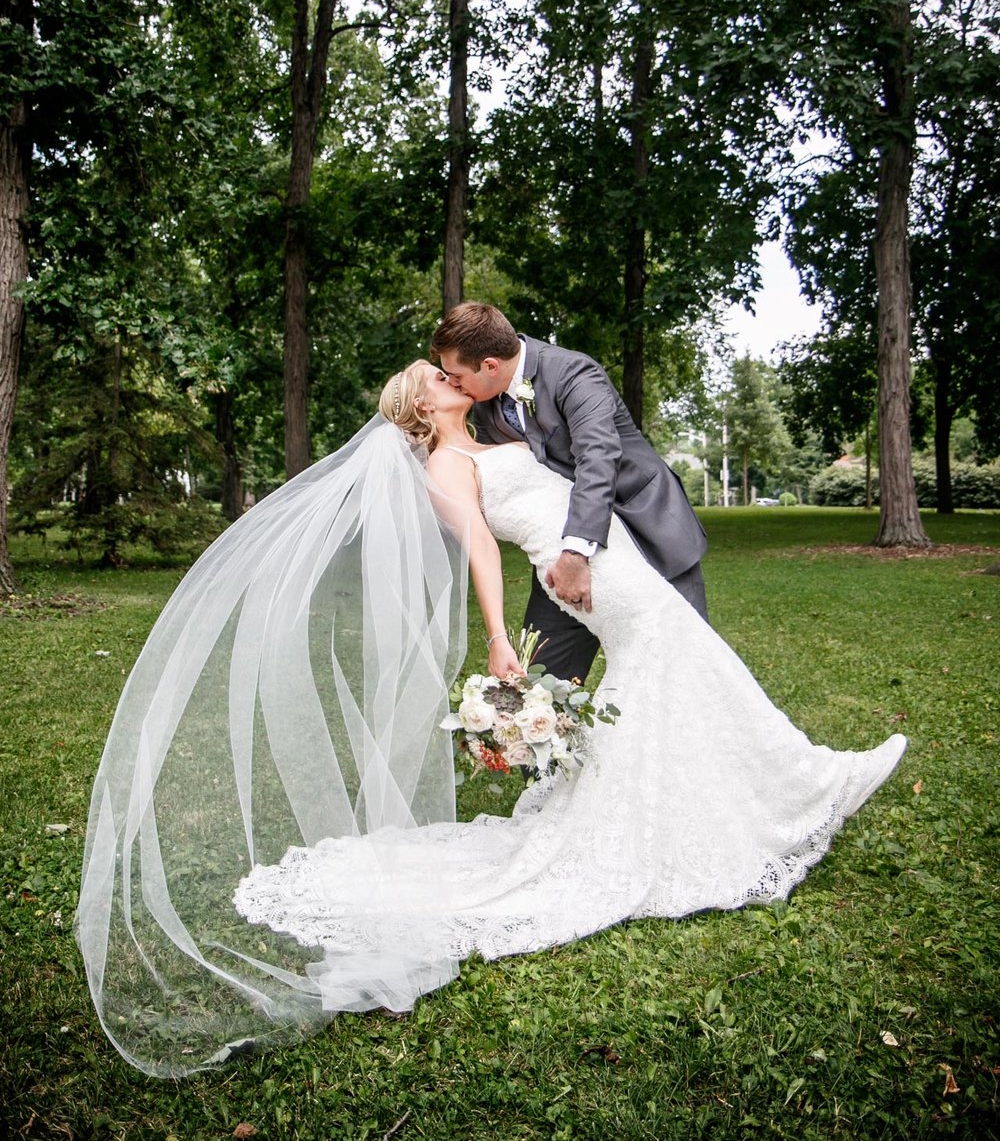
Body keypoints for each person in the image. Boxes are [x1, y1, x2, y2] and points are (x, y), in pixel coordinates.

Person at [77, 359, 907, 1079]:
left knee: (680, 663)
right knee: (681, 652)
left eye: (453, 371)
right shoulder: (445, 467)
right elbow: (480, 545)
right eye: (440, 378)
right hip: (583, 570)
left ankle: (751, 789)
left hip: (601, 550)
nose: (454, 379)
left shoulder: (497, 428)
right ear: (422, 406)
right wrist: (502, 635)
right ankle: (806, 777)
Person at [430, 302, 707, 685]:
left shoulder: (574, 372)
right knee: (540, 686)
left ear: (490, 365)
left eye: (456, 375)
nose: (453, 383)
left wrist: (577, 553)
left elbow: (598, 457)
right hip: (558, 556)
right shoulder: (485, 407)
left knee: (686, 672)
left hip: (646, 531)